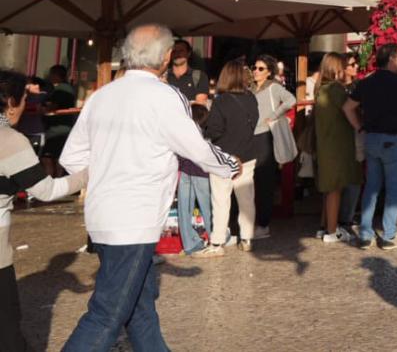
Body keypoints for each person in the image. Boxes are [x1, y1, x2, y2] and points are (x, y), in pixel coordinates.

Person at [58, 23, 241, 351]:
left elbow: (71, 157)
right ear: (167, 56)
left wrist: (108, 172)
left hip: (102, 216)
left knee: (140, 310)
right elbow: (195, 147)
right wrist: (229, 164)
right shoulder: (165, 96)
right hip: (135, 219)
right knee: (106, 315)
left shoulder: (102, 96)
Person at [2, 68, 88, 352]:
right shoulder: (10, 141)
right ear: (11, 102)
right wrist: (88, 173)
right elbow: (46, 191)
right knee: (7, 335)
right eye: (24, 99)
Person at [344, 43, 397, 250]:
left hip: (372, 139)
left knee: (372, 187)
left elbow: (348, 107)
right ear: (392, 58)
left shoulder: (366, 82)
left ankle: (366, 235)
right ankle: (388, 236)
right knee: (394, 189)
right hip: (394, 139)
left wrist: (359, 127)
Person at [201, 58, 259, 255]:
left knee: (220, 199)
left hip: (224, 157)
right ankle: (247, 238)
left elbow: (214, 130)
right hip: (248, 155)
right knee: (246, 198)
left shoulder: (221, 101)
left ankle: (217, 242)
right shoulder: (251, 98)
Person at [314, 52, 360, 244]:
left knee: (328, 187)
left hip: (325, 143)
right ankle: (332, 232)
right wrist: (360, 126)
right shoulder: (335, 89)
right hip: (337, 144)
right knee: (335, 188)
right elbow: (348, 110)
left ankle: (325, 226)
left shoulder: (321, 88)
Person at [249, 53, 295, 239]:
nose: (256, 71)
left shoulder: (273, 87)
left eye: (261, 68)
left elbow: (291, 100)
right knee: (251, 182)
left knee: (264, 181)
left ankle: (264, 223)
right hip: (251, 137)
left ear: (269, 72)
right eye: (255, 67)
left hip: (266, 135)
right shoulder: (250, 88)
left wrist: (275, 116)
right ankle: (253, 221)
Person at [173, 105, 214, 258]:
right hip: (201, 172)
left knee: (184, 209)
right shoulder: (206, 132)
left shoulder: (182, 131)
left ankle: (190, 243)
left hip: (184, 171)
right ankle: (214, 238)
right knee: (208, 207)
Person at [338, 53, 364, 232]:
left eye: (357, 64)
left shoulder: (358, 86)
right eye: (352, 65)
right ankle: (343, 215)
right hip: (347, 134)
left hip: (356, 134)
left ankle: (347, 214)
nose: (356, 68)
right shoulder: (338, 89)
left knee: (356, 173)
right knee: (348, 175)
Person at [41, 63, 79, 176]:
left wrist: (44, 108)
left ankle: (54, 183)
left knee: (48, 158)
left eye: (51, 74)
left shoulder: (62, 89)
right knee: (56, 158)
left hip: (58, 129)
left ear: (56, 75)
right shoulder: (65, 88)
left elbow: (54, 105)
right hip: (62, 128)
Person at [165, 40, 208, 105]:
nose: (177, 54)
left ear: (188, 53)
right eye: (174, 51)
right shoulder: (164, 75)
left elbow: (200, 106)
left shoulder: (199, 76)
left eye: (181, 51)